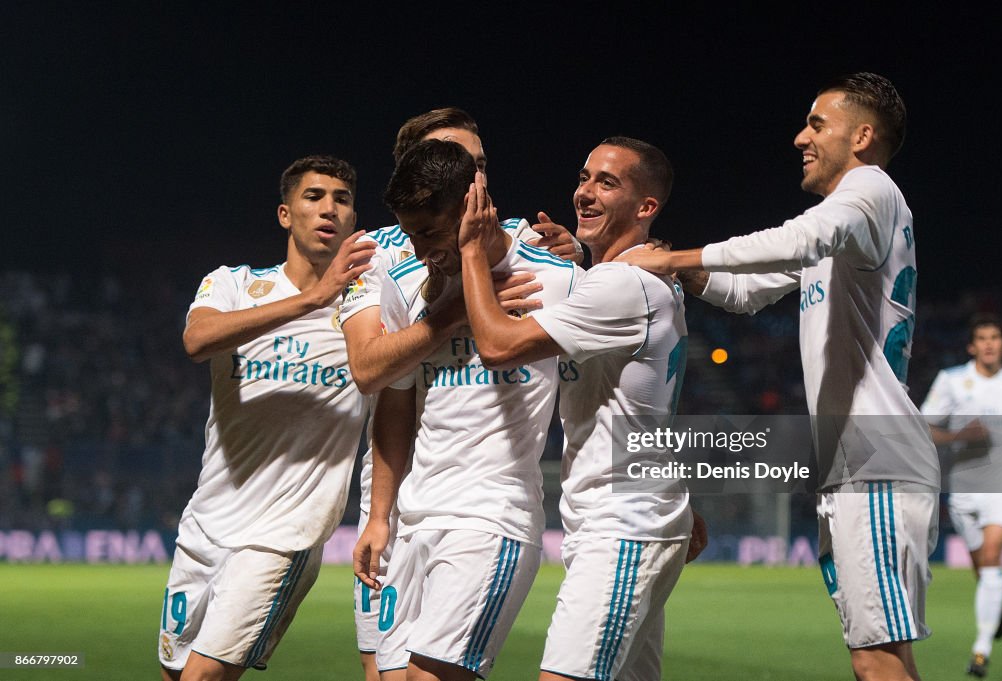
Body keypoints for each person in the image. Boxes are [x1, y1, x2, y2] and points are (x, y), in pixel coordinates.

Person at [618, 73, 940, 681]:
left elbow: (798, 237)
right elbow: (743, 291)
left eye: (817, 124)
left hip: (875, 463)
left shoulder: (870, 189)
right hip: (857, 464)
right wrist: (680, 270)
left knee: (877, 663)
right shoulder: (849, 224)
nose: (801, 137)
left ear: (863, 136)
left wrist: (674, 258)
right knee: (882, 659)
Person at [339, 107, 581, 681]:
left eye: (479, 164)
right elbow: (386, 389)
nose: (419, 247)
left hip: (489, 514)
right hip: (412, 514)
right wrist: (379, 517)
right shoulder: (393, 272)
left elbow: (612, 391)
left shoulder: (558, 274)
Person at [459, 136, 703, 681]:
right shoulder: (620, 281)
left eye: (606, 183)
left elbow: (497, 347)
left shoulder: (624, 285)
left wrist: (473, 253)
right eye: (584, 177)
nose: (584, 193)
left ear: (646, 209)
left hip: (624, 526)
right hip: (630, 517)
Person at [158, 155, 376, 681]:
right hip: (205, 525)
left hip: (284, 533)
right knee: (173, 670)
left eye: (342, 199)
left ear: (353, 220)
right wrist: (309, 301)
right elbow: (196, 340)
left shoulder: (367, 309)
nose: (330, 208)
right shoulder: (232, 283)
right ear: (285, 214)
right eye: (314, 196)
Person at [921, 314, 1002, 677]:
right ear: (971, 346)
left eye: (995, 337)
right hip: (965, 488)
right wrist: (959, 436)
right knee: (986, 573)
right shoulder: (952, 381)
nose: (989, 343)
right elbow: (924, 428)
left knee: (993, 556)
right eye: (982, 338)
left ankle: (980, 650)